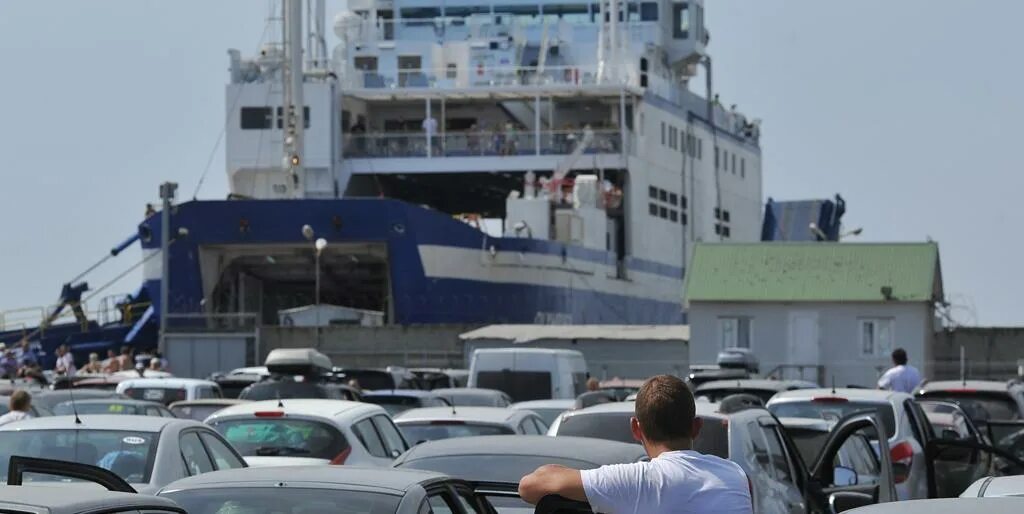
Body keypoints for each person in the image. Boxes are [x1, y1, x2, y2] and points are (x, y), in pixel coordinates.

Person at [519, 375, 752, 513]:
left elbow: (529, 487)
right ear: (696, 427)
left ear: (635, 429)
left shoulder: (636, 481)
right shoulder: (735, 476)